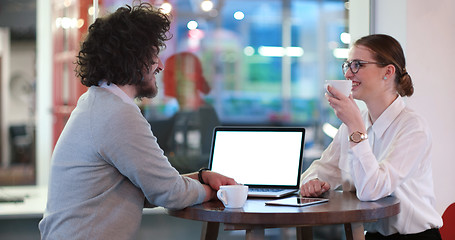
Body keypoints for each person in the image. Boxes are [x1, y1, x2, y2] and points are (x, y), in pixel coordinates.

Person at [38, 3, 236, 240]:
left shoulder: (98, 102)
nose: (160, 65)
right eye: (154, 55)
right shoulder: (117, 113)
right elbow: (170, 194)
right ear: (133, 58)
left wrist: (202, 177)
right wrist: (217, 193)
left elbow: (154, 186)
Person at [299, 34, 442, 239]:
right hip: (370, 235)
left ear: (388, 72)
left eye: (358, 65)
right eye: (348, 65)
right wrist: (313, 183)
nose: (348, 74)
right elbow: (319, 171)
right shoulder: (356, 122)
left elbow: (371, 191)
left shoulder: (412, 127)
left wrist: (356, 126)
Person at [155, 52, 219, 173]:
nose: (163, 79)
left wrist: (156, 160)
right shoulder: (177, 113)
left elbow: (196, 160)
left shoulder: (203, 114)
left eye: (169, 74)